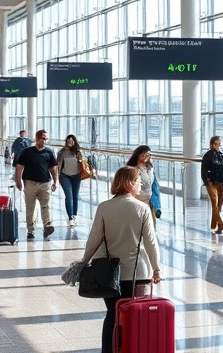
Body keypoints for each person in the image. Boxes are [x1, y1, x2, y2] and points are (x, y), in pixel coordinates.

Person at [80, 166, 160, 353]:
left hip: (109, 274)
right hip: (137, 273)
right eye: (138, 181)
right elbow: (151, 243)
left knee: (112, 314)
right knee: (134, 316)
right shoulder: (142, 209)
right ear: (130, 183)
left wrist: (83, 263)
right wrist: (156, 268)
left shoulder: (104, 207)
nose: (141, 184)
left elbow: (94, 239)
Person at [14, 129, 58, 240]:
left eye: (45, 139)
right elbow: (19, 167)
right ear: (37, 139)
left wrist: (55, 182)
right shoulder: (27, 152)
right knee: (30, 208)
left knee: (45, 206)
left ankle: (47, 225)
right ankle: (30, 229)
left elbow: (53, 168)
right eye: (43, 138)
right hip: (30, 183)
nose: (44, 141)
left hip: (45, 183)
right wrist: (18, 181)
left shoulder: (49, 152)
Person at [201, 135, 223, 234]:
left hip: (222, 183)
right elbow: (204, 170)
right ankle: (221, 224)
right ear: (212, 144)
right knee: (215, 203)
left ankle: (214, 226)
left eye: (219, 143)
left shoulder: (222, 156)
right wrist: (207, 181)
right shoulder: (208, 156)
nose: (219, 145)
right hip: (212, 183)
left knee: (218, 206)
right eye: (217, 143)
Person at [125, 145, 162, 220]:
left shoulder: (150, 169)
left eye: (149, 154)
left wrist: (157, 207)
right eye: (145, 154)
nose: (147, 156)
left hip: (149, 202)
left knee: (150, 226)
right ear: (138, 155)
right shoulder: (132, 170)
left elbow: (155, 189)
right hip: (137, 202)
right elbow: (129, 189)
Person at [57, 134, 86, 227]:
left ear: (74, 142)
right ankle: (70, 217)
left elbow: (82, 162)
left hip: (76, 176)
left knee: (75, 196)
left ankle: (74, 214)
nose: (70, 142)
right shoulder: (62, 152)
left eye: (71, 141)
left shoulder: (77, 152)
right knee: (69, 196)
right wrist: (58, 176)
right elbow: (59, 164)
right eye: (68, 141)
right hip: (65, 176)